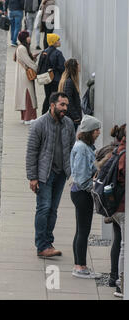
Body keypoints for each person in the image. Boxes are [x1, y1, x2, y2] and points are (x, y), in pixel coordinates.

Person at [26, 92, 76, 257]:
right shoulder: (39, 124)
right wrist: (32, 177)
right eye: (62, 105)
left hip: (61, 173)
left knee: (53, 209)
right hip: (44, 174)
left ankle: (48, 242)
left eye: (66, 105)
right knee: (44, 207)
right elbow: (31, 152)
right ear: (52, 105)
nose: (65, 109)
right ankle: (42, 246)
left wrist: (72, 171)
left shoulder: (68, 124)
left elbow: (72, 147)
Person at [70, 115, 102, 279]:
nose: (98, 133)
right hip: (82, 193)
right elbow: (83, 179)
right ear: (89, 131)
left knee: (80, 230)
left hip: (78, 192)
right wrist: (97, 189)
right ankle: (80, 267)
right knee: (83, 230)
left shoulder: (84, 146)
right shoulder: (82, 148)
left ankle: (79, 265)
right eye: (96, 130)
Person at [110, 125, 126, 298]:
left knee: (119, 242)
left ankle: (116, 279)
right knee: (124, 245)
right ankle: (121, 284)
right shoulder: (125, 155)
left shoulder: (117, 150)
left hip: (116, 207)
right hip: (122, 207)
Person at [14, 30, 39, 124]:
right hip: (24, 75)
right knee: (28, 95)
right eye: (28, 36)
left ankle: (24, 117)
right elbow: (28, 62)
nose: (29, 38)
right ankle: (29, 117)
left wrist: (33, 57)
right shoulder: (22, 48)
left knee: (24, 95)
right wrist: (38, 69)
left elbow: (27, 60)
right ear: (25, 38)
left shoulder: (21, 48)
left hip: (22, 74)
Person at [40, 33, 65, 115]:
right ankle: (53, 114)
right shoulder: (58, 53)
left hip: (46, 78)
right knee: (54, 98)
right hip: (55, 79)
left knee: (47, 97)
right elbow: (62, 67)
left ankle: (43, 114)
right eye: (58, 40)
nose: (59, 41)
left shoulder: (44, 52)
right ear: (54, 42)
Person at [58, 59, 82, 131]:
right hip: (71, 118)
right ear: (74, 67)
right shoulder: (69, 82)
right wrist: (76, 116)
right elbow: (68, 101)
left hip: (70, 117)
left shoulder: (68, 80)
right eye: (78, 64)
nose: (79, 66)